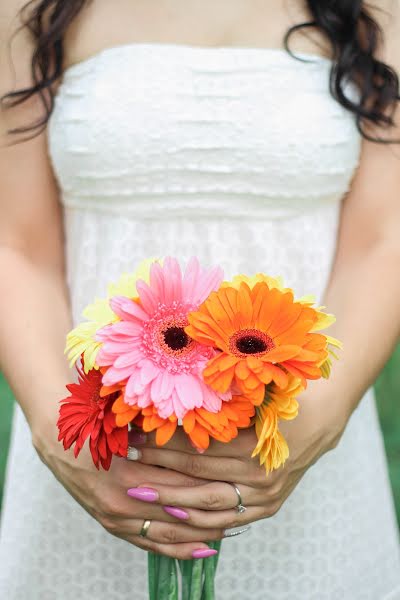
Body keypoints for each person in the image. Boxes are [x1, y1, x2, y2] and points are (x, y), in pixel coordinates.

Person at [1, 1, 400, 598]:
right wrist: (58, 427)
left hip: (305, 446)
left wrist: (319, 415)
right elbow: (16, 242)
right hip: (98, 455)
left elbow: (383, 236)